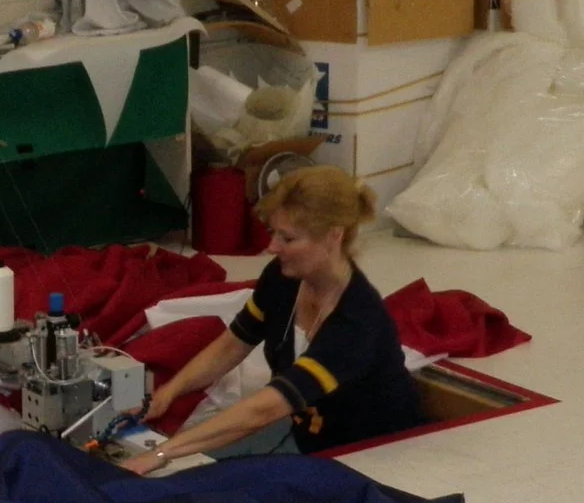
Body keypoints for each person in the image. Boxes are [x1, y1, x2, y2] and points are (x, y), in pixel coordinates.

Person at [121, 165, 423, 474]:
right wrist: (168, 393)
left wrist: (161, 455)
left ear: (334, 236)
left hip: (371, 455)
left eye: (288, 238)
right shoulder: (283, 277)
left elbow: (264, 409)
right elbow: (232, 345)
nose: (271, 247)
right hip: (307, 434)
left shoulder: (357, 323)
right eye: (274, 233)